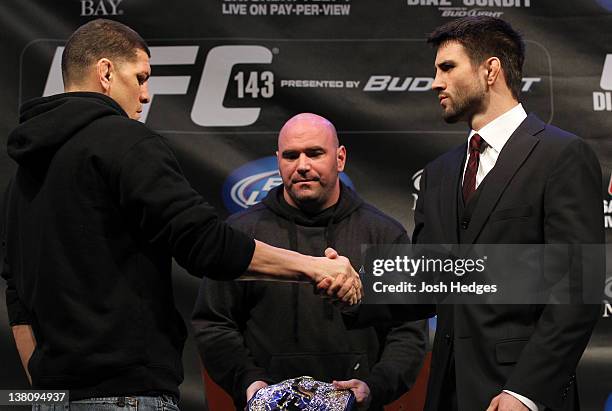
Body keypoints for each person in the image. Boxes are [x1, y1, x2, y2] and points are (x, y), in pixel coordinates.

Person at [0, 19, 361, 410]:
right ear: (105, 72)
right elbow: (205, 244)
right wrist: (315, 268)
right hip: (126, 395)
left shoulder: (23, 175)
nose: (145, 94)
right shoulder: (125, 141)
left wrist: (45, 387)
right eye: (140, 77)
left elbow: (16, 294)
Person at [412, 16, 604, 411]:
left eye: (447, 67)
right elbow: (428, 282)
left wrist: (526, 392)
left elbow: (577, 293)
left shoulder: (561, 156)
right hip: (447, 393)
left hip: (521, 396)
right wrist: (353, 287)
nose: (435, 82)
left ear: (490, 70)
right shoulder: (438, 174)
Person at [191, 113, 427, 410]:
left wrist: (373, 388)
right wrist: (249, 383)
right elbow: (214, 323)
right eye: (291, 156)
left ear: (340, 158)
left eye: (315, 153)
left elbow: (407, 330)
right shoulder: (242, 235)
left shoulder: (382, 234)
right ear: (278, 161)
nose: (302, 166)